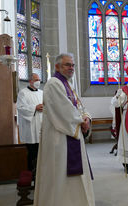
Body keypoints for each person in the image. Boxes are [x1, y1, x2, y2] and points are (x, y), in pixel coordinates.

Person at [34, 53, 95, 206]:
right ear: (57, 66)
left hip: (72, 134)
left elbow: (79, 106)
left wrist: (86, 117)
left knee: (73, 176)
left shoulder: (68, 85)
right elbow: (63, 110)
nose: (71, 68)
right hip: (59, 137)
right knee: (59, 173)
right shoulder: (54, 84)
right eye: (67, 65)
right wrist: (81, 121)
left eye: (73, 65)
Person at [17, 73, 43, 174]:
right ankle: (31, 174)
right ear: (30, 81)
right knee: (32, 153)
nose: (38, 82)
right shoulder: (23, 93)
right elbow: (20, 108)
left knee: (42, 153)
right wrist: (35, 108)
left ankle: (41, 174)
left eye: (39, 79)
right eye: (36, 79)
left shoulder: (42, 93)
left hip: (41, 126)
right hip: (31, 127)